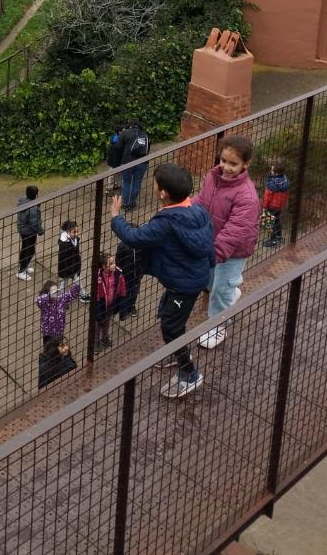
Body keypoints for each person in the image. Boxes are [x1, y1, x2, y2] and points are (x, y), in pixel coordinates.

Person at [111, 163, 215, 398]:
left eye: (155, 184)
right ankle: (178, 352)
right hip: (193, 276)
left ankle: (189, 374)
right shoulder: (197, 210)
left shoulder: (166, 222)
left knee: (171, 327)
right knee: (172, 318)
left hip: (184, 284)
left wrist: (116, 217)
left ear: (163, 193)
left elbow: (134, 237)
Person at [193, 135, 261, 350]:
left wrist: (214, 254)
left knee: (220, 289)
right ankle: (231, 293)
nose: (226, 167)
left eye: (233, 163)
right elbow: (201, 201)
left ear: (245, 164)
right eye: (223, 161)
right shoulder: (212, 177)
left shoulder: (247, 196)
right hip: (212, 243)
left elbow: (234, 231)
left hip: (233, 251)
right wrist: (183, 210)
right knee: (211, 281)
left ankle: (218, 326)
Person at [106, 122, 150, 210]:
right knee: (137, 182)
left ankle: (126, 204)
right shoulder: (144, 135)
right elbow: (147, 149)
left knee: (127, 183)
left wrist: (118, 162)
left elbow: (117, 147)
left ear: (130, 126)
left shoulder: (125, 133)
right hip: (142, 162)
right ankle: (132, 203)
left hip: (128, 162)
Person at [93, 253, 127, 351]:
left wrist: (122, 297)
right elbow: (96, 292)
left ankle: (104, 337)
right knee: (98, 322)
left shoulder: (118, 273)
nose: (114, 265)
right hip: (101, 303)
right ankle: (96, 341)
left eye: (114, 262)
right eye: (111, 263)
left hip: (112, 303)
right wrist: (97, 304)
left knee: (107, 320)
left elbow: (122, 285)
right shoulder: (99, 277)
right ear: (104, 266)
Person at [35, 279, 80, 344]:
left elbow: (72, 295)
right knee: (49, 348)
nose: (55, 293)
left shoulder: (61, 298)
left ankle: (60, 350)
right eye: (53, 291)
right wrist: (49, 296)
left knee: (60, 347)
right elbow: (38, 300)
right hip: (48, 333)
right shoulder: (45, 303)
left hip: (59, 331)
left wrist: (76, 285)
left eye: (56, 290)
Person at [15, 185, 44, 282]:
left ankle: (24, 266)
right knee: (30, 251)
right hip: (29, 231)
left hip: (22, 229)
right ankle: (21, 271)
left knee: (25, 249)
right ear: (36, 195)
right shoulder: (33, 208)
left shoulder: (22, 200)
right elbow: (34, 223)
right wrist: (40, 230)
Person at [57, 220, 90, 301]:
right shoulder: (64, 245)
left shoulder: (74, 240)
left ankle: (82, 295)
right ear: (67, 232)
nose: (76, 234)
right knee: (66, 282)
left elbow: (76, 254)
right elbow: (63, 259)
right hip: (67, 267)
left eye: (77, 231)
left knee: (74, 281)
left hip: (74, 265)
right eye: (74, 232)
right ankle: (82, 296)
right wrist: (69, 268)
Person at [262, 160, 291, 248]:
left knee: (271, 223)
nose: (270, 171)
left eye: (272, 170)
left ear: (275, 172)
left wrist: (264, 207)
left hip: (271, 205)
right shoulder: (285, 180)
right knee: (277, 220)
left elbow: (267, 196)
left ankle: (273, 240)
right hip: (279, 205)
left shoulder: (271, 183)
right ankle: (279, 237)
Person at [115, 239, 144, 320]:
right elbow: (118, 261)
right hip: (126, 275)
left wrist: (141, 271)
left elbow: (143, 258)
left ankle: (132, 306)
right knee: (125, 292)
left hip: (137, 274)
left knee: (134, 292)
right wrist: (119, 273)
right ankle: (123, 311)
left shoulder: (141, 244)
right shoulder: (122, 246)